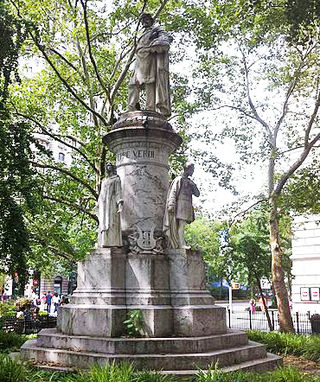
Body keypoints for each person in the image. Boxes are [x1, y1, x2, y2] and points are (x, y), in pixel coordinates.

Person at [127, 13, 173, 117]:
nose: (144, 21)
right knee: (133, 84)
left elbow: (167, 37)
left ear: (151, 20)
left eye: (147, 19)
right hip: (139, 59)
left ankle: (150, 108)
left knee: (149, 82)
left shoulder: (156, 30)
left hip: (149, 56)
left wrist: (159, 41)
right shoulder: (140, 33)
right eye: (143, 20)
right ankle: (130, 108)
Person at [163, 163, 200, 249]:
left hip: (187, 205)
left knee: (182, 225)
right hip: (180, 205)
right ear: (188, 169)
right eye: (192, 169)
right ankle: (181, 243)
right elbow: (173, 191)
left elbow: (197, 194)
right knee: (181, 225)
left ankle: (181, 242)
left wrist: (193, 185)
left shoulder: (191, 182)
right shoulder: (179, 179)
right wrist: (171, 204)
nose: (193, 171)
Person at [97, 163, 123, 247]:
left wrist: (119, 203)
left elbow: (118, 192)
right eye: (107, 165)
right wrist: (98, 203)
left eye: (109, 166)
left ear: (112, 168)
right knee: (103, 223)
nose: (108, 167)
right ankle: (104, 242)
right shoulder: (104, 180)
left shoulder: (116, 179)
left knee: (112, 222)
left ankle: (113, 243)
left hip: (111, 203)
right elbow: (101, 193)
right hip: (103, 204)